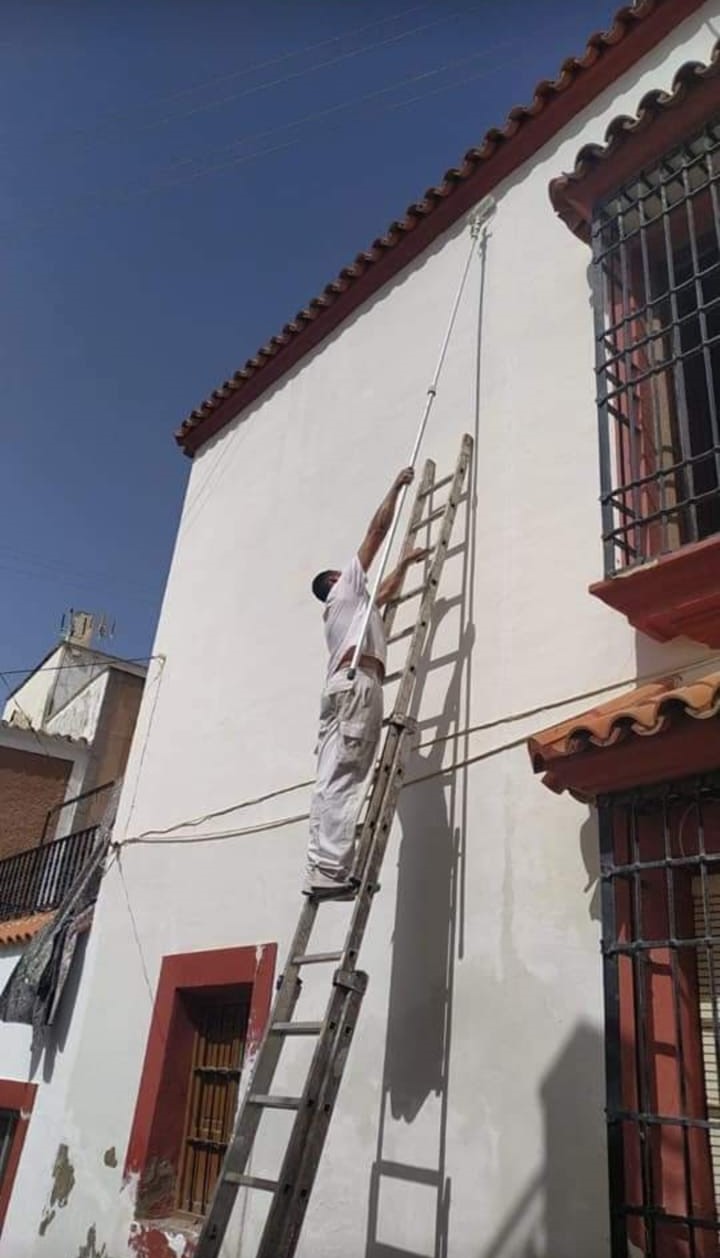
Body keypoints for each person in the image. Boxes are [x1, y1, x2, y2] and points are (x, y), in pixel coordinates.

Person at [304, 467, 428, 898]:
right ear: (335, 581)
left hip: (342, 686)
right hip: (357, 683)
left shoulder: (354, 607)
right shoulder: (343, 591)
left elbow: (385, 592)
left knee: (333, 774)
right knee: (347, 774)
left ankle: (321, 866)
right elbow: (377, 532)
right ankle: (329, 871)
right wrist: (395, 487)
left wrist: (405, 564)